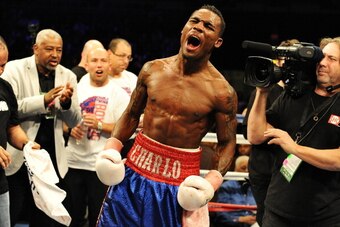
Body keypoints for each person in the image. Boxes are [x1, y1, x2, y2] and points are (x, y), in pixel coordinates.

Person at [95, 4, 238, 227]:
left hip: (178, 186)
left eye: (208, 26)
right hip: (133, 171)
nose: (198, 28)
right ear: (183, 30)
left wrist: (211, 182)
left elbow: (227, 142)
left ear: (217, 41)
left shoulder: (222, 92)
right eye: (194, 22)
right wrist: (112, 148)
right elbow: (132, 114)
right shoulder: (152, 70)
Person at [246, 37, 340, 226]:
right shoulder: (293, 95)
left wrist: (294, 148)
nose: (322, 63)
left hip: (324, 217)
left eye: (332, 59)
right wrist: (261, 93)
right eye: (322, 57)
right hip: (278, 210)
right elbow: (255, 136)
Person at [2, 29, 81, 227]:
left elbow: (74, 121)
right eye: (49, 49)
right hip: (18, 155)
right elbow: (12, 111)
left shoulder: (68, 75)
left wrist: (65, 104)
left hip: (48, 156)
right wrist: (43, 101)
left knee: (46, 218)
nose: (55, 54)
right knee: (12, 213)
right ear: (36, 49)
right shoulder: (14, 69)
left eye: (59, 50)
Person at [64, 47, 130, 227]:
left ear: (109, 63)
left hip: (101, 165)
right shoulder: (76, 87)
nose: (99, 65)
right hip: (74, 162)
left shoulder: (119, 94)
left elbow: (125, 129)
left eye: (103, 60)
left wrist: (100, 125)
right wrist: (68, 129)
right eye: (94, 61)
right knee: (73, 217)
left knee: (99, 218)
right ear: (87, 64)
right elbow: (59, 118)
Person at [242, 39, 299, 226]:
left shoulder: (302, 93)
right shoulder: (263, 88)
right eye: (284, 58)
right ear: (277, 62)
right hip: (263, 167)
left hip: (291, 168)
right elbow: (249, 131)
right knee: (266, 217)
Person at [0, 76, 41, 227]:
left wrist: (27, 144)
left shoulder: (4, 87)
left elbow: (12, 127)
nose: (0, 70)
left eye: (3, 65)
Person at [214, 155, 257, 227]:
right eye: (243, 168)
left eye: (249, 168)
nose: (247, 170)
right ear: (236, 169)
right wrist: (240, 219)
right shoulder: (227, 187)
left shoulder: (257, 187)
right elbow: (220, 214)